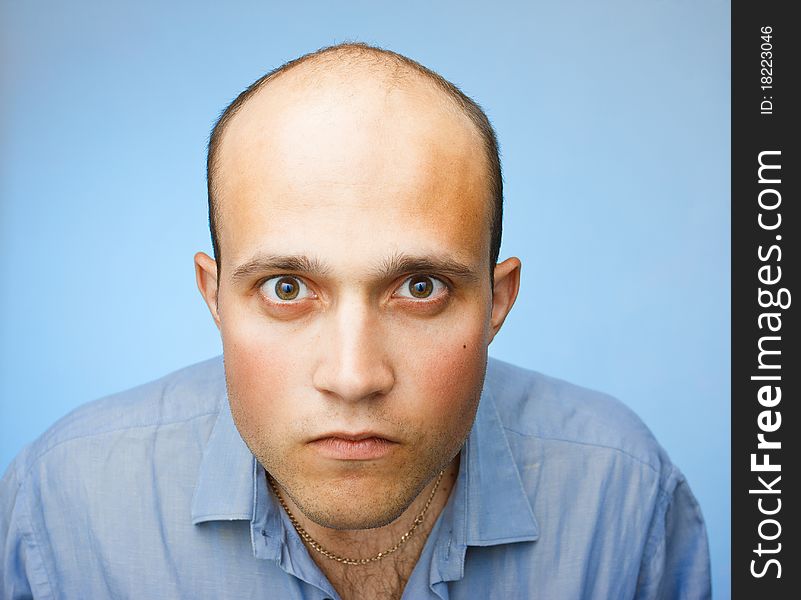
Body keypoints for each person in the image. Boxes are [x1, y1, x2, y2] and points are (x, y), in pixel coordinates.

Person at [0, 42, 711, 600]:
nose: (352, 377)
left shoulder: (622, 495)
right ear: (213, 296)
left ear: (497, 302)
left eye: (420, 286)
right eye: (286, 288)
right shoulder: (62, 506)